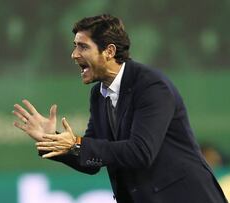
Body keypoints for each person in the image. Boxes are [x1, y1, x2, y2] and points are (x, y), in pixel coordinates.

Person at [13, 14, 227, 203]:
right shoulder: (99, 94)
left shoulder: (151, 86)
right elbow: (91, 160)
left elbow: (141, 152)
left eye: (83, 46)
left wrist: (78, 143)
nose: (74, 54)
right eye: (74, 45)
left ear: (109, 51)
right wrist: (51, 138)